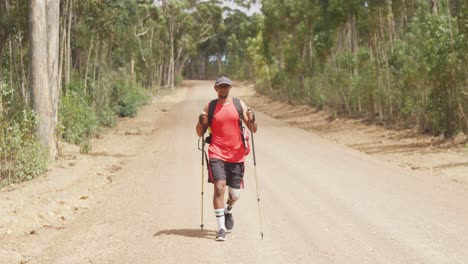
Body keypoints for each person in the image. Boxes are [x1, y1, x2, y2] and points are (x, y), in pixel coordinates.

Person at [196, 74, 257, 241]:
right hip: (217, 153)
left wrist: (252, 119)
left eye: (226, 86)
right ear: (216, 88)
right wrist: (201, 121)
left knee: (235, 194)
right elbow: (200, 132)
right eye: (220, 86)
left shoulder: (239, 104)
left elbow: (253, 129)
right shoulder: (210, 106)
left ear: (230, 88)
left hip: (237, 156)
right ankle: (221, 228)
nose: (223, 89)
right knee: (219, 187)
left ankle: (228, 209)